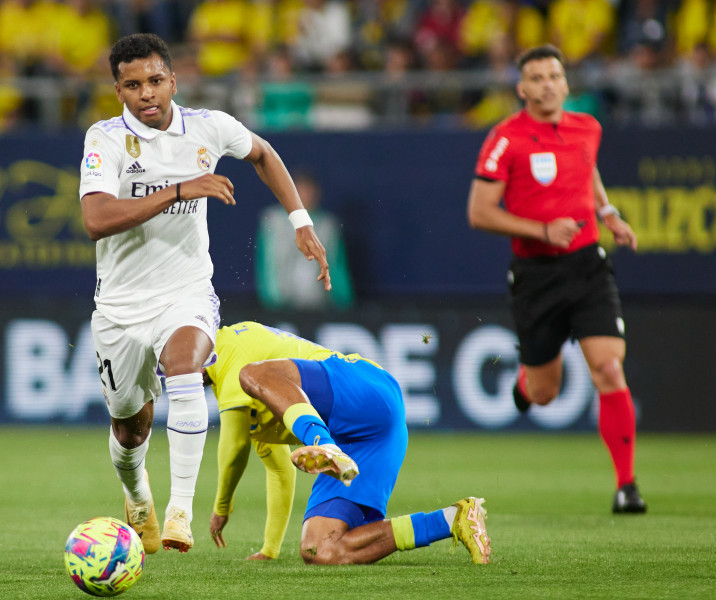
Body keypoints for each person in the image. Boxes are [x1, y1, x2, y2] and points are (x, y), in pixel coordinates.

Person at [78, 33, 332, 555]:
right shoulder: (104, 140)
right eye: (133, 85)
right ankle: (138, 495)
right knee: (131, 428)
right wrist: (178, 190)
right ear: (119, 91)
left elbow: (263, 153)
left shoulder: (209, 127)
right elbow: (96, 220)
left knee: (186, 371)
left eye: (154, 81)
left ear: (172, 80)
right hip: (121, 306)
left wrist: (299, 221)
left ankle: (179, 513)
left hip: (186, 291)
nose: (146, 93)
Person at [466, 44, 647, 514]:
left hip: (587, 264)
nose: (547, 84)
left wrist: (607, 212)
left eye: (554, 76)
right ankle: (526, 386)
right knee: (545, 393)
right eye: (537, 77)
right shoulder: (505, 138)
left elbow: (586, 171)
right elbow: (479, 212)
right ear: (522, 88)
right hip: (535, 274)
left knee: (609, 368)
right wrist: (542, 230)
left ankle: (627, 486)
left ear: (566, 84)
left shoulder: (588, 128)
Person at [204, 321, 491, 565]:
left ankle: (323, 444)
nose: (175, 373)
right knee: (320, 550)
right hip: (362, 438)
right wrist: (270, 550)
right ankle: (453, 518)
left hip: (361, 388)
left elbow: (235, 447)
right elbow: (279, 470)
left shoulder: (228, 351)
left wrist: (222, 507)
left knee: (251, 374)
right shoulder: (238, 397)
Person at [256, 170, 354, 310]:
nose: (304, 195)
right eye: (299, 190)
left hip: (318, 305)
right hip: (281, 305)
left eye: (309, 190)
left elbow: (336, 265)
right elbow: (268, 263)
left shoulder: (327, 225)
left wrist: (343, 302)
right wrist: (272, 302)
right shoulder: (273, 221)